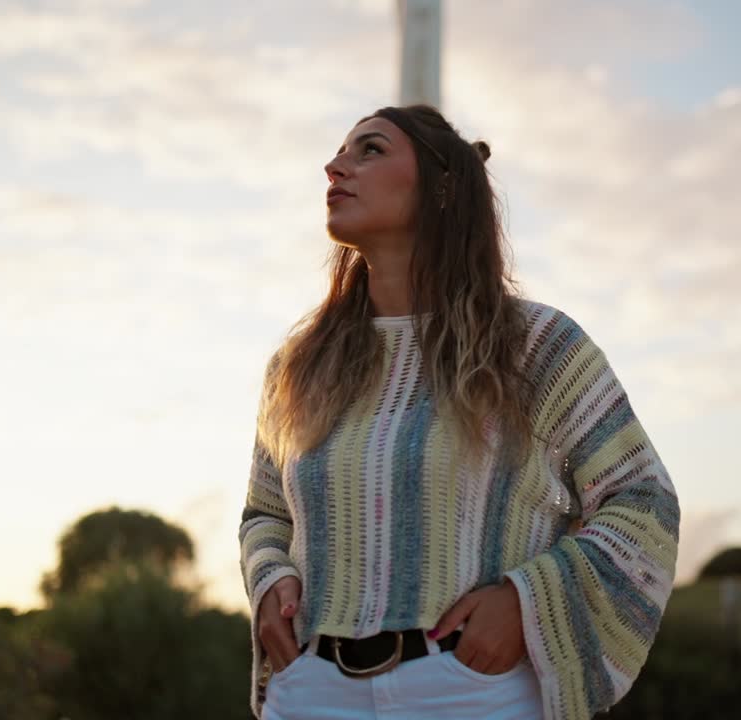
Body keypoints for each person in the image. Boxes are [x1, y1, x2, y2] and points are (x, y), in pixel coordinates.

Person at [238, 104, 679, 720]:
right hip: (311, 690)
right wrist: (268, 582)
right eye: (341, 152)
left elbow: (642, 500)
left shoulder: (536, 346)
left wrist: (526, 603)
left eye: (369, 149)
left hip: (471, 691)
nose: (335, 166)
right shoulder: (298, 365)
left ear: (443, 186)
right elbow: (266, 513)